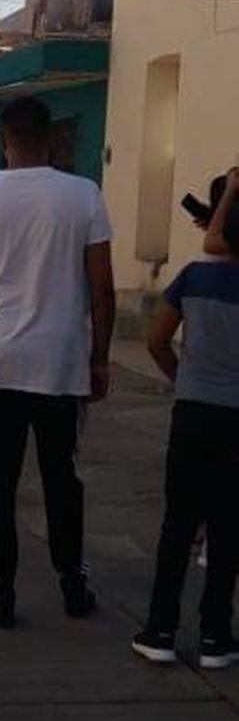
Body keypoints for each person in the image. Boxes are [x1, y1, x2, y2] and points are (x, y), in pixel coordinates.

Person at [0, 96, 115, 629]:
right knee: (62, 478)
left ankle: (3, 596)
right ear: (53, 139)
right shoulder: (84, 195)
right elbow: (102, 288)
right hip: (61, 366)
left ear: (3, 139)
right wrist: (100, 360)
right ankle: (72, 583)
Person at [131, 169, 239, 668]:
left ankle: (160, 630)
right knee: (227, 529)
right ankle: (217, 636)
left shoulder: (193, 279)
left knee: (179, 522)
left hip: (193, 412)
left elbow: (156, 341)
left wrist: (184, 378)